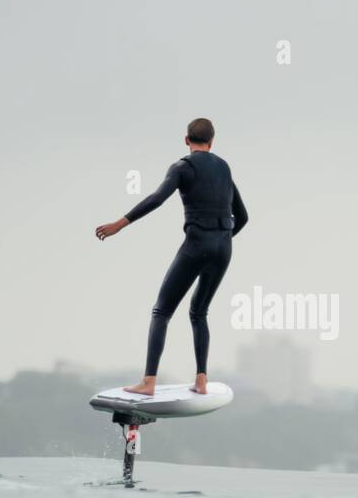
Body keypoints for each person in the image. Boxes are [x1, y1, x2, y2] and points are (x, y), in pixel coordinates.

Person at [95, 118, 248, 395]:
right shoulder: (224, 168)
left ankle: (148, 382)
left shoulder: (182, 167)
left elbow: (156, 199)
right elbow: (244, 217)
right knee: (199, 312)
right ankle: (201, 380)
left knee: (162, 311)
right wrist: (219, 242)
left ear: (186, 140)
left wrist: (120, 223)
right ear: (212, 142)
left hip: (197, 245)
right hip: (224, 247)